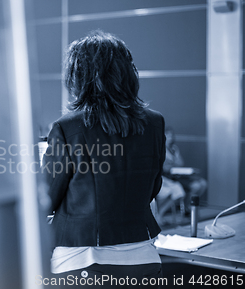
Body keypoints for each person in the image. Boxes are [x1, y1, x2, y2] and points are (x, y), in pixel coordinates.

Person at [42, 30, 164, 288]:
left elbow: (46, 198)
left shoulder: (67, 128)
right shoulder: (154, 123)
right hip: (144, 258)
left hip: (81, 262)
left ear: (79, 77)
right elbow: (153, 188)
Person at [163, 127, 207, 214]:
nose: (171, 137)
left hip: (179, 175)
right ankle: (187, 207)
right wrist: (173, 163)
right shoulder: (161, 149)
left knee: (203, 183)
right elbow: (165, 168)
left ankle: (188, 205)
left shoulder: (174, 149)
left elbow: (180, 163)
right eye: (168, 135)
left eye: (172, 135)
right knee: (196, 186)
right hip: (169, 177)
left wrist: (172, 162)